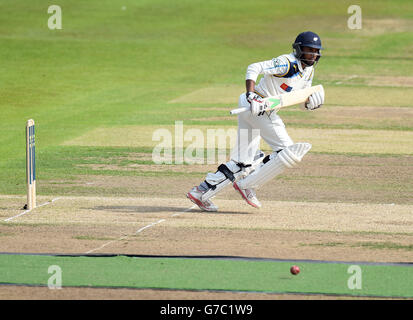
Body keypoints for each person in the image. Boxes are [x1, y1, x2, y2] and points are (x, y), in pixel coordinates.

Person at [187, 31, 325, 212]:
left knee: (242, 161)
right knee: (288, 152)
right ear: (299, 49)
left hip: (260, 109)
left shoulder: (309, 71)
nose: (313, 55)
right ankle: (247, 185)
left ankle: (201, 192)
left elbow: (298, 98)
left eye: (315, 51)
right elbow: (254, 67)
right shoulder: (287, 63)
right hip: (257, 105)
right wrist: (251, 95)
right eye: (309, 50)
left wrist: (309, 104)